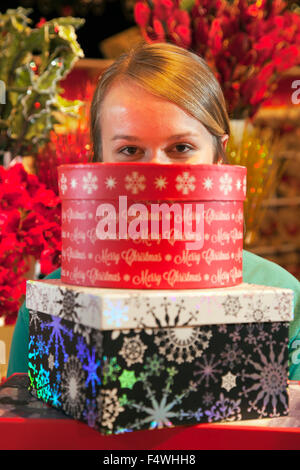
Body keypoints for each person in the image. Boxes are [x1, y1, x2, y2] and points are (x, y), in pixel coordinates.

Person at [7, 42, 300, 379]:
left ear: (219, 156)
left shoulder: (284, 299)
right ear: (98, 162)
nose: (155, 172)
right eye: (129, 149)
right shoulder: (51, 307)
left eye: (181, 148)